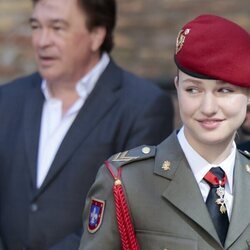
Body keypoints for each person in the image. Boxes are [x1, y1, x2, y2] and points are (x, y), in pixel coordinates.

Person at [0, 0, 174, 249]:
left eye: (57, 28)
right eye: (36, 26)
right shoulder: (7, 99)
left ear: (96, 34)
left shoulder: (142, 106)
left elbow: (127, 215)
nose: (41, 41)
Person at [79, 14, 250, 250]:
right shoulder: (127, 182)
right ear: (177, 87)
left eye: (225, 91)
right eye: (193, 90)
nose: (208, 108)